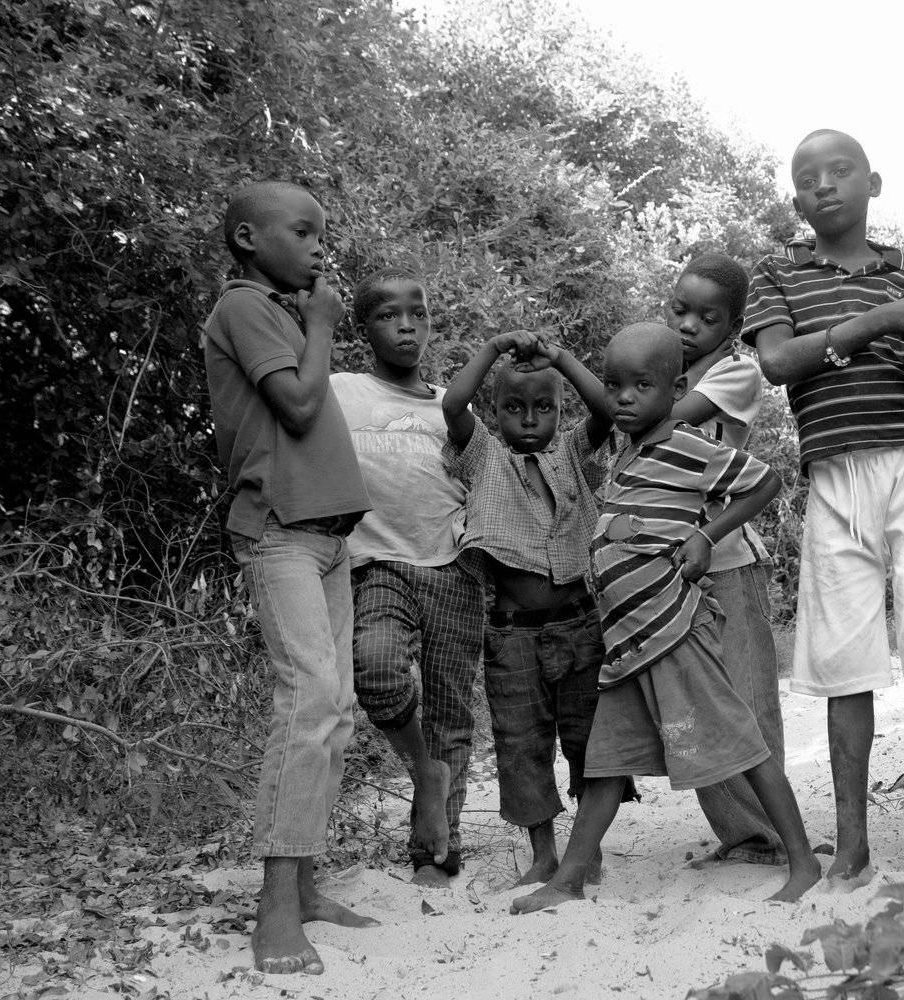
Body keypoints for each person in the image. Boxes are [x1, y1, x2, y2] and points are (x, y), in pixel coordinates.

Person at [743, 129, 904, 883]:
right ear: (797, 202)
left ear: (873, 183)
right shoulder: (776, 275)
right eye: (808, 178)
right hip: (834, 474)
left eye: (841, 170)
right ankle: (850, 846)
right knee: (843, 659)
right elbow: (779, 362)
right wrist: (887, 320)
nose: (824, 184)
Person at [510, 323, 822, 914]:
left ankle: (803, 862)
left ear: (675, 390)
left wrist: (707, 535)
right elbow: (612, 403)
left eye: (641, 386)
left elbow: (765, 482)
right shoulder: (630, 446)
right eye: (615, 386)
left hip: (675, 631)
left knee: (742, 746)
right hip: (629, 642)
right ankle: (570, 878)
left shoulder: (686, 444)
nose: (623, 398)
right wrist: (563, 358)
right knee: (606, 764)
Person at [202, 180, 377, 975]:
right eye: (302, 231)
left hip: (327, 539)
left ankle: (304, 889)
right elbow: (300, 406)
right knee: (308, 702)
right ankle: (274, 913)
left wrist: (310, 322)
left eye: (320, 233)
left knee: (334, 712)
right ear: (248, 238)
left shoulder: (280, 311)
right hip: (279, 535)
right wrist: (323, 324)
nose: (317, 246)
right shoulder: (244, 307)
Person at [441, 329, 630, 886]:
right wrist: (493, 348)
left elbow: (607, 409)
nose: (529, 419)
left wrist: (561, 358)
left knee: (589, 739)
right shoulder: (483, 457)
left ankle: (585, 850)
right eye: (514, 407)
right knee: (521, 746)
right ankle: (544, 855)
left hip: (580, 628)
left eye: (544, 407)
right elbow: (452, 405)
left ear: (560, 411)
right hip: (512, 637)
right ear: (495, 411)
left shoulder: (573, 453)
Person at [330, 266, 483, 886]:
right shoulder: (340, 391)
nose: (407, 326)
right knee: (376, 669)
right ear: (363, 328)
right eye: (389, 315)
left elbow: (484, 478)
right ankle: (425, 770)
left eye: (418, 313)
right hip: (376, 564)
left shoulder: (452, 404)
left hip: (453, 567)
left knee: (451, 708)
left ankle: (436, 853)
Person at [664, 253, 787, 869]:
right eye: (679, 311)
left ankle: (774, 830)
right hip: (669, 565)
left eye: (707, 318)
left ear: (733, 327)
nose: (689, 326)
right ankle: (745, 836)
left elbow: (661, 422)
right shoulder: (661, 373)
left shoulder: (736, 372)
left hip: (728, 560)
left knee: (748, 699)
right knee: (696, 703)